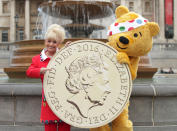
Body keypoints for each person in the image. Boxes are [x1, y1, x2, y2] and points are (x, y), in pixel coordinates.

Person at [26, 24, 70, 131]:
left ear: (59, 43)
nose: (51, 44)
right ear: (45, 41)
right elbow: (29, 72)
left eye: (54, 42)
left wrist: (69, 50)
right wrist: (40, 71)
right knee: (50, 128)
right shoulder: (38, 59)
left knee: (65, 127)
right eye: (48, 41)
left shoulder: (64, 55)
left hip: (65, 97)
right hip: (49, 98)